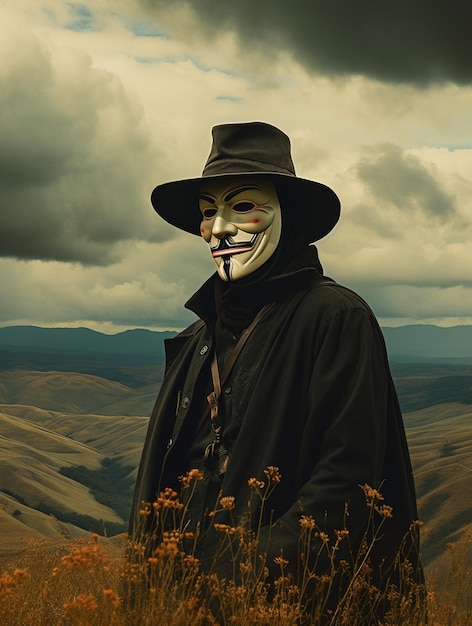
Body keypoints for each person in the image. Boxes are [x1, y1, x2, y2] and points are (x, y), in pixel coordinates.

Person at [129, 122, 423, 610]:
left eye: (242, 206)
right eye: (208, 212)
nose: (219, 228)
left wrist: (234, 574)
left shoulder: (335, 318)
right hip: (184, 603)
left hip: (290, 604)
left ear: (288, 214)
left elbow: (346, 482)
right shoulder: (198, 338)